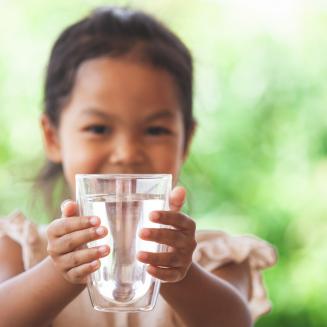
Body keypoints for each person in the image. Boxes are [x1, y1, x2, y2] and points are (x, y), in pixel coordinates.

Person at [0, 6, 276, 327]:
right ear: (53, 137)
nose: (128, 153)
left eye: (155, 130)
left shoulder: (214, 259)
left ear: (186, 141)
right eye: (99, 129)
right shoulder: (20, 251)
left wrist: (181, 276)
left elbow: (233, 322)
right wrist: (58, 274)